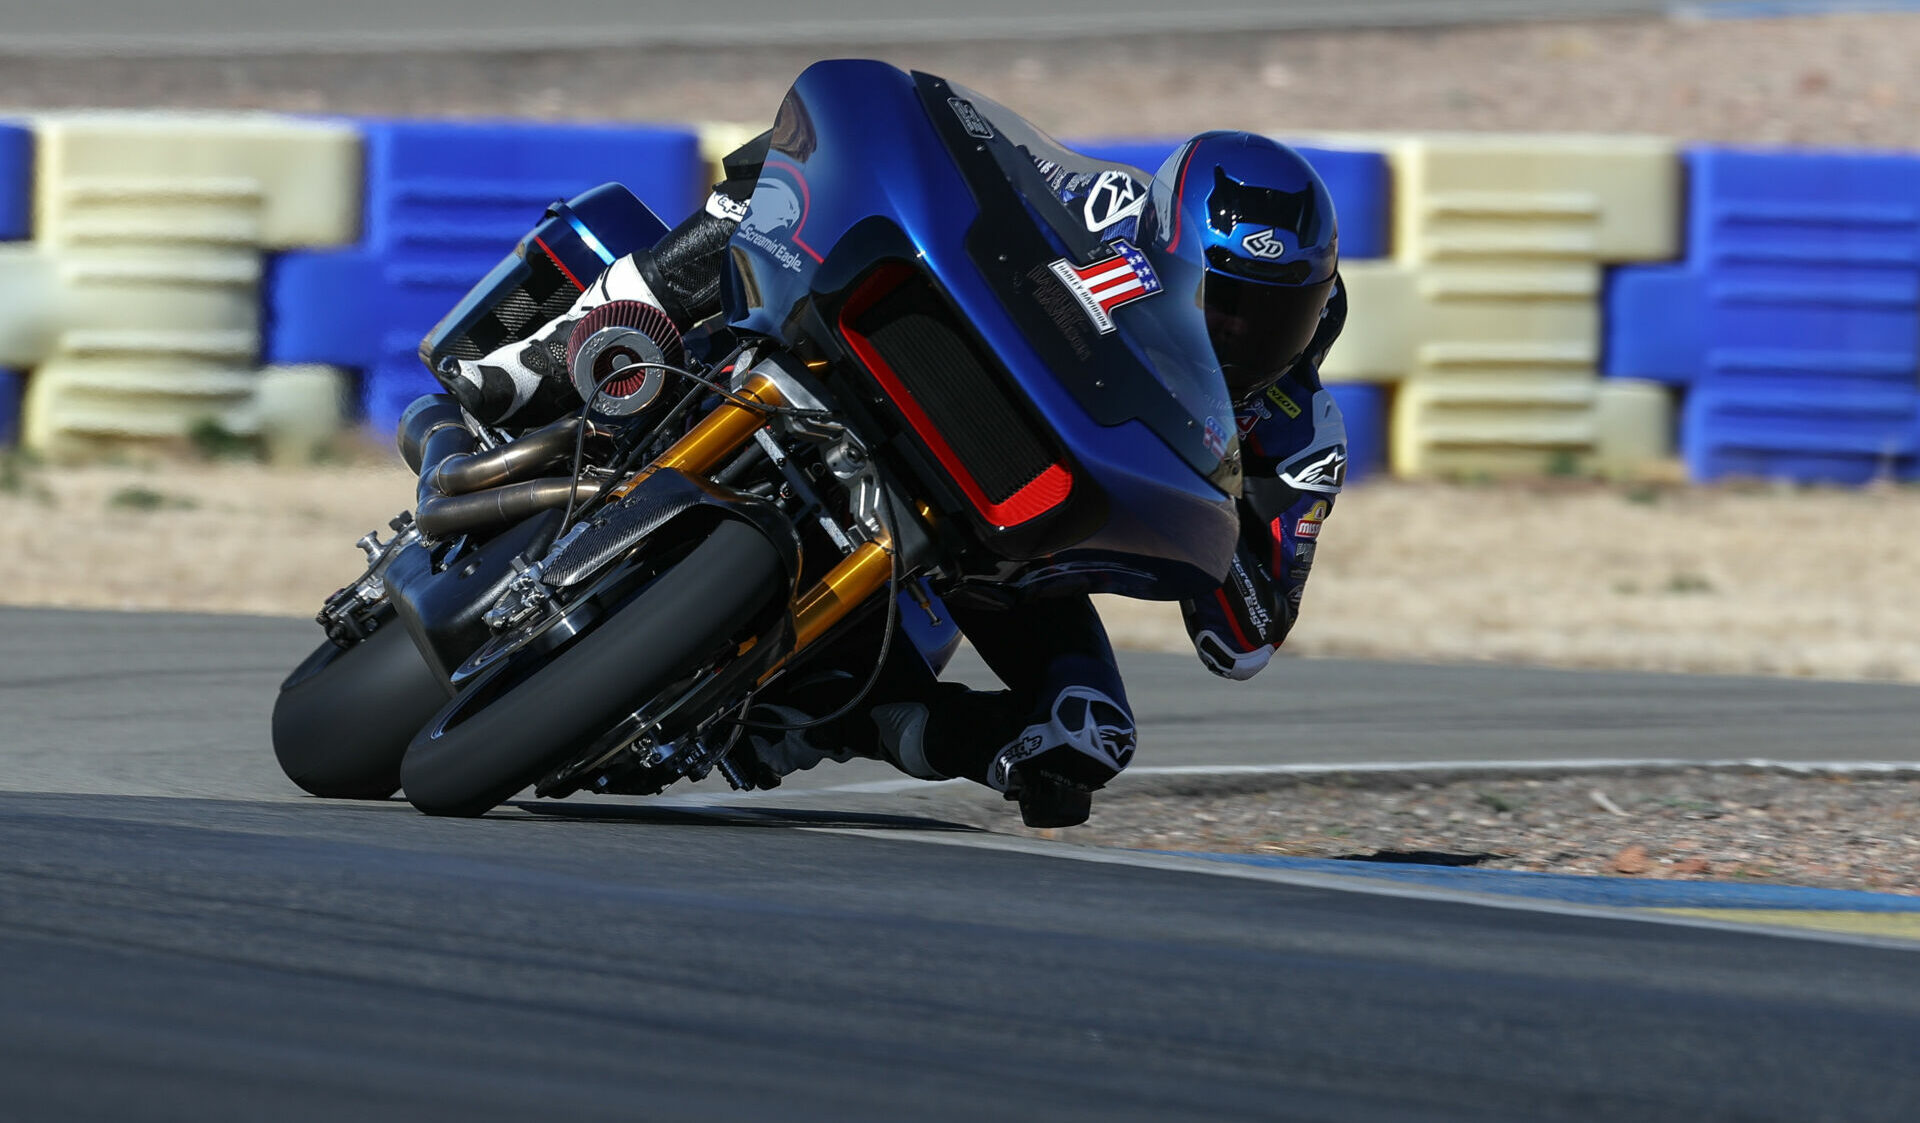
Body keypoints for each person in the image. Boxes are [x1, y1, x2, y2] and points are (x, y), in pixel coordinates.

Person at [436, 127, 1347, 829]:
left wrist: (1226, 502)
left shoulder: (1301, 433)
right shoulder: (1100, 203)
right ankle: (548, 358)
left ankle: (866, 719)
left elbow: (1246, 642)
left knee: (1086, 728)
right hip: (909, 372)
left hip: (993, 520)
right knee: (774, 175)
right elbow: (950, 152)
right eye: (1219, 299)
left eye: (1276, 312)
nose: (1236, 333)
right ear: (1167, 245)